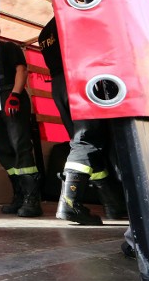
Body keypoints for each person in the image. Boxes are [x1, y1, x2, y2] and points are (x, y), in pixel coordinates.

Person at [38, 17, 126, 225]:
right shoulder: (73, 16)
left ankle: (112, 205)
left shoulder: (44, 33)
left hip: (59, 85)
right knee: (88, 140)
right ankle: (70, 204)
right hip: (80, 77)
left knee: (86, 144)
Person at [0, 21, 42, 217]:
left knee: (20, 144)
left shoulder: (10, 48)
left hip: (11, 96)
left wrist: (15, 95)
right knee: (3, 148)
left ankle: (32, 200)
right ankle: (20, 196)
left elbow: (21, 70)